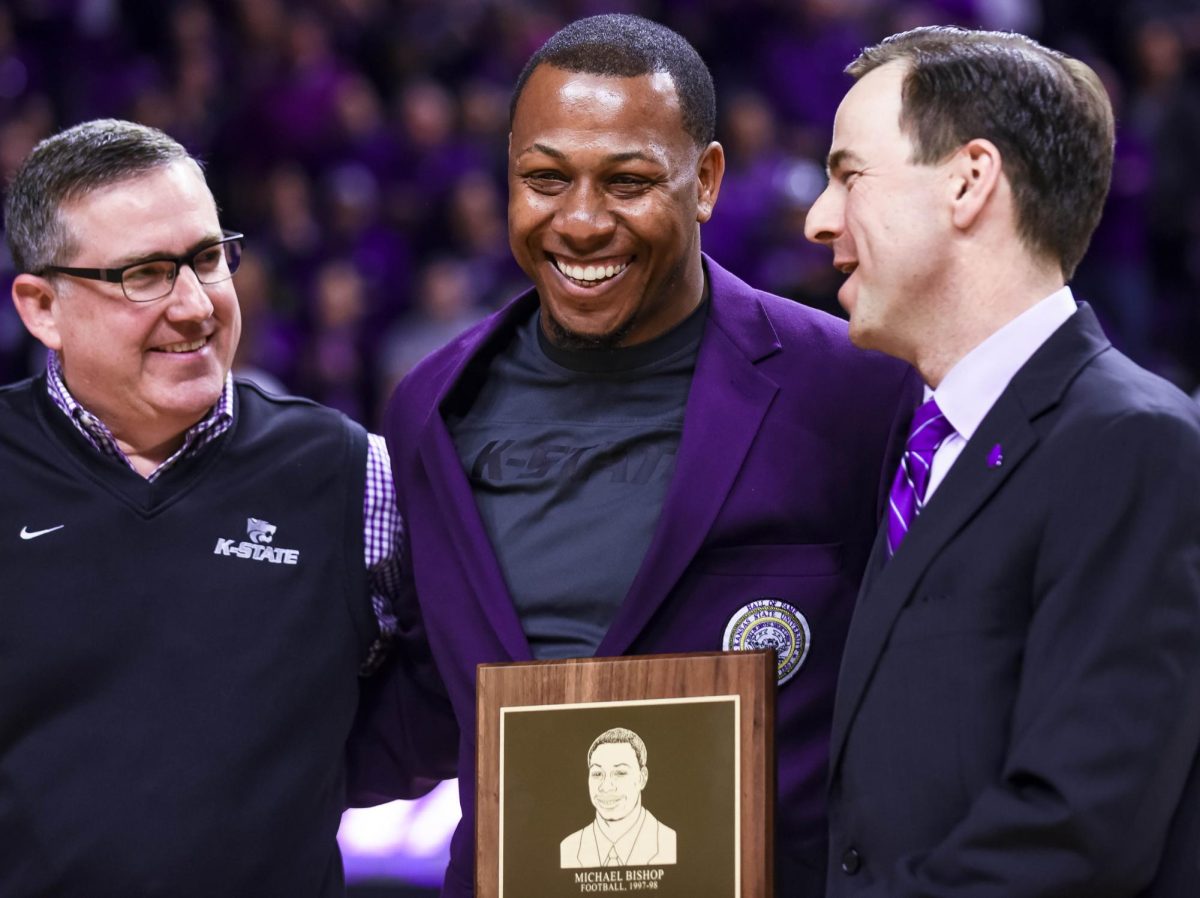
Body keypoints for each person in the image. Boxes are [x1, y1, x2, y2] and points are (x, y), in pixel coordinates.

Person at [349, 14, 915, 896]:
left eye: (628, 182)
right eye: (544, 179)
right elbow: (435, 693)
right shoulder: (430, 407)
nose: (579, 222)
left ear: (707, 181)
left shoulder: (858, 390)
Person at [0, 119, 452, 896]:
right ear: (43, 307)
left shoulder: (354, 476)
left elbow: (450, 693)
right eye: (144, 274)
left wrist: (310, 764)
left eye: (207, 259)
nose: (194, 306)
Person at [803, 26, 1200, 896]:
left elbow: (1078, 830)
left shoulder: (1133, 444)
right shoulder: (914, 446)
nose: (817, 218)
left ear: (969, 180)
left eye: (848, 174)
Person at [560, 727, 677, 868]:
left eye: (620, 773)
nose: (606, 786)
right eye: (597, 774)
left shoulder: (670, 843)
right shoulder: (568, 848)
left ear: (642, 778)